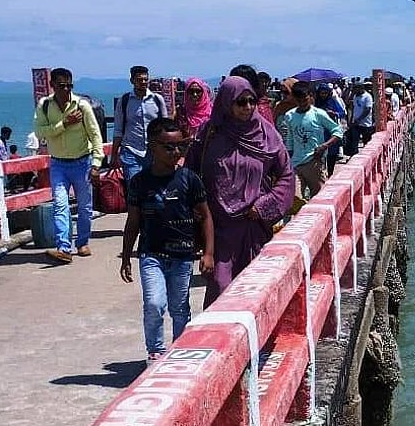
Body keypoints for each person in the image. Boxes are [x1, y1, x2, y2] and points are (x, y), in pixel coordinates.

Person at [184, 76, 295, 307]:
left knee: (257, 291)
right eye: (240, 102)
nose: (247, 107)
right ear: (226, 102)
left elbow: (286, 175)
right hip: (218, 229)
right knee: (221, 290)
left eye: (251, 101)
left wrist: (265, 205)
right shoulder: (209, 134)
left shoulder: (266, 134)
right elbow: (190, 174)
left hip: (254, 226)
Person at [120, 117, 214, 361]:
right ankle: (156, 351)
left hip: (182, 255)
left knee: (179, 308)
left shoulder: (189, 179)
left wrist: (208, 253)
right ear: (152, 147)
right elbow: (133, 222)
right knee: (154, 304)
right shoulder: (139, 182)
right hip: (151, 254)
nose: (175, 152)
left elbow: (205, 217)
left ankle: (181, 351)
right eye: (168, 147)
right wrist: (126, 257)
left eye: (180, 147)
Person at [34, 67, 104, 264]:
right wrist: (64, 124)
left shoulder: (82, 106)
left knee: (84, 206)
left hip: (83, 162)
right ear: (52, 85)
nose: (66, 89)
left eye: (69, 85)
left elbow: (95, 135)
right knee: (61, 205)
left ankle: (82, 242)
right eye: (61, 85)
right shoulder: (45, 106)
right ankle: (63, 247)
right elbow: (40, 133)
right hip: (58, 164)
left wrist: (97, 164)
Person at [110, 66, 169, 193]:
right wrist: (114, 155)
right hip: (131, 151)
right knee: (134, 188)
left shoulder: (157, 100)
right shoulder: (124, 101)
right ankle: (134, 212)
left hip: (153, 151)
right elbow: (118, 130)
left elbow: (165, 127)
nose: (143, 82)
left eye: (145, 79)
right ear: (132, 80)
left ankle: (150, 212)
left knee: (153, 189)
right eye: (139, 80)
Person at [280, 82, 344, 198]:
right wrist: (288, 160)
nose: (302, 103)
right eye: (299, 101)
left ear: (310, 96)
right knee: (296, 199)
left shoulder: (318, 114)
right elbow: (290, 139)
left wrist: (324, 146)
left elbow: (337, 131)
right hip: (296, 163)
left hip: (314, 162)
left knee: (318, 197)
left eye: (305, 100)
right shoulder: (289, 115)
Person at [313, 83, 347, 175]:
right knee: (319, 152)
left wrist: (334, 113)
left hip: (331, 130)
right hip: (319, 130)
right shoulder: (316, 103)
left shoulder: (333, 101)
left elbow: (342, 113)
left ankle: (330, 172)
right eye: (321, 93)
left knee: (332, 153)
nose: (323, 95)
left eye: (325, 93)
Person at [344, 82, 374, 156]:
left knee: (366, 142)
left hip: (365, 123)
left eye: (355, 88)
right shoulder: (355, 96)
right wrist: (351, 120)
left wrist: (359, 119)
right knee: (354, 141)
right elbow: (351, 106)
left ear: (361, 88)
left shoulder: (367, 96)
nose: (354, 90)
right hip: (356, 123)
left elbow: (367, 110)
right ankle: (354, 155)